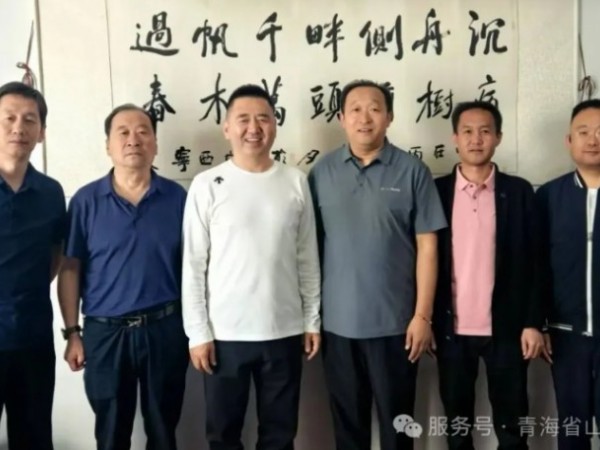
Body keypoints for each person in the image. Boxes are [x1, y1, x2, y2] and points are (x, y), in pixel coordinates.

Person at [308, 79, 446, 450]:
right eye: (355, 109)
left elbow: (428, 247)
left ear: (389, 116)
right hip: (338, 327)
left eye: (374, 108)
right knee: (348, 431)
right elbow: (309, 250)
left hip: (397, 327)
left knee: (398, 429)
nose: (364, 117)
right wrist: (311, 318)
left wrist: (423, 316)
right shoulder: (322, 173)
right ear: (341, 118)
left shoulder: (413, 171)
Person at [182, 84, 321, 450]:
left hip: (284, 330)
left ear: (275, 124)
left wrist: (311, 320)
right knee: (223, 434)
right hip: (224, 334)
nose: (254, 128)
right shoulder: (207, 185)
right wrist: (198, 332)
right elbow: (193, 265)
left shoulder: (295, 181)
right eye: (243, 119)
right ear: (227, 128)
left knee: (280, 435)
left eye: (263, 118)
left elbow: (307, 257)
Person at [58, 104, 189, 450]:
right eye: (123, 132)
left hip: (165, 328)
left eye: (143, 131)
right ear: (108, 145)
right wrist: (72, 332)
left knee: (164, 429)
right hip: (105, 334)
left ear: (155, 143)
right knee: (111, 433)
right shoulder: (86, 201)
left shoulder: (177, 198)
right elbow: (70, 269)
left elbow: (193, 267)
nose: (134, 139)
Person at [433, 100, 544, 450]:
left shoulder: (519, 191)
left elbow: (536, 262)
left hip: (507, 329)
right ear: (455, 138)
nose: (476, 139)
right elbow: (421, 259)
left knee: (513, 427)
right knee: (457, 427)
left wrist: (533, 322)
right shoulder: (437, 192)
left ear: (498, 137)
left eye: (485, 131)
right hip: (451, 330)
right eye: (467, 131)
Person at [0, 81, 66, 450]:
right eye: (8, 118)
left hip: (33, 338)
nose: (18, 128)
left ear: (41, 132)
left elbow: (54, 257)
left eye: (29, 120)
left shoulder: (51, 193)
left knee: (34, 438)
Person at [536, 98, 600, 450]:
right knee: (573, 427)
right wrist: (540, 323)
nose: (593, 140)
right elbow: (535, 266)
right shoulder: (548, 197)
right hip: (566, 335)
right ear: (569, 140)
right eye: (584, 132)